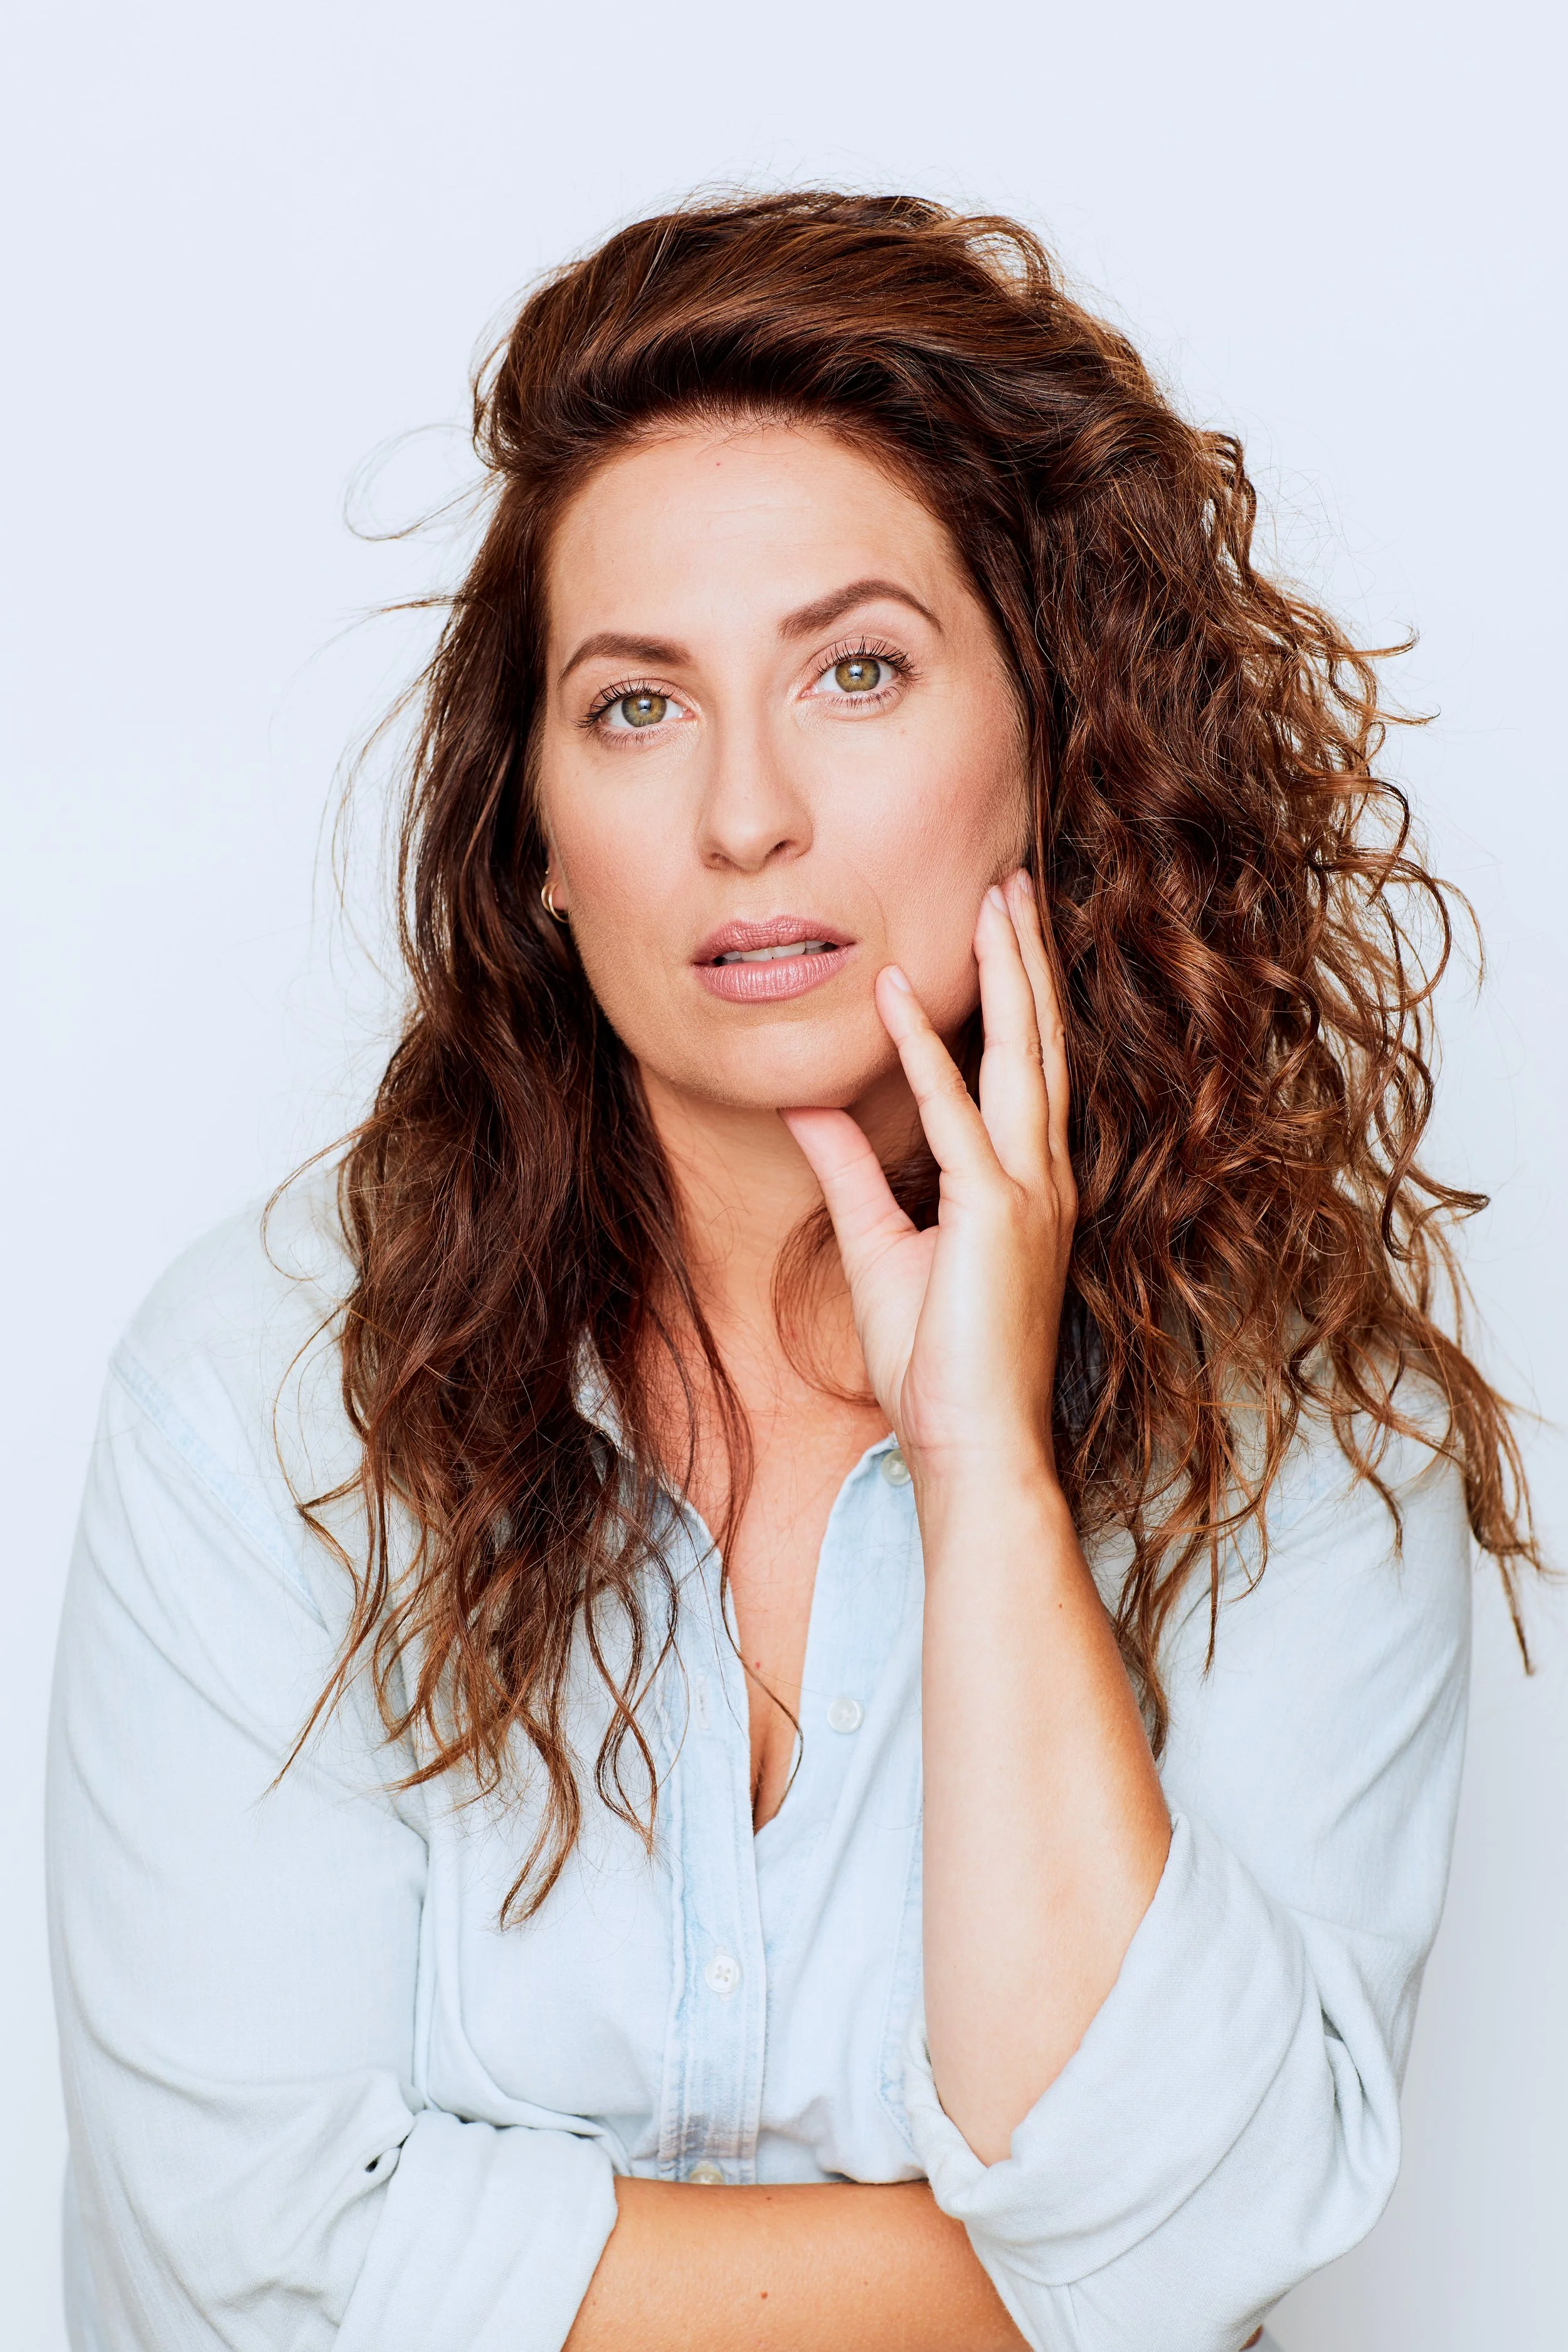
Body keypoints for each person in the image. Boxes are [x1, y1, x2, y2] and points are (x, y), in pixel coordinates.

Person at [46, 191, 1539, 2352]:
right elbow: (261, 2268)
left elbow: (1209, 2225)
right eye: (636, 706)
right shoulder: (261, 1395)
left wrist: (991, 1484)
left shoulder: (1303, 1426)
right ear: (538, 840)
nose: (746, 813)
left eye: (856, 671)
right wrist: (1040, 2288)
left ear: (1053, 743)